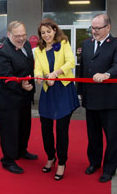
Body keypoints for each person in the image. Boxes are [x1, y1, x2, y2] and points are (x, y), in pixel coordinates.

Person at [78, 14, 117, 183]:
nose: (94, 31)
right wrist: (80, 92)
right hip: (91, 97)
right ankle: (94, 163)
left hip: (109, 100)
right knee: (93, 135)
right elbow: (82, 68)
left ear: (108, 28)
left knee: (112, 136)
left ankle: (109, 169)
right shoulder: (86, 44)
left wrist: (107, 74)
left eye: (98, 28)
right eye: (92, 28)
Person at [34, 18, 79, 181]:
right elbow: (37, 68)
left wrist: (55, 73)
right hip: (48, 91)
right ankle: (51, 157)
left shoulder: (64, 44)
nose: (46, 35)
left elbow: (71, 62)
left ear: (55, 30)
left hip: (63, 90)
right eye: (43, 33)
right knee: (45, 128)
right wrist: (40, 78)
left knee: (61, 129)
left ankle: (62, 162)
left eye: (49, 31)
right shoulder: (38, 50)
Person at [0, 21, 37, 174]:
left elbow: (29, 66)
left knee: (25, 127)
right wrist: (21, 85)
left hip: (25, 96)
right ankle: (8, 160)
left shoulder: (27, 46)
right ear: (9, 34)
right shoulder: (1, 51)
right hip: (8, 98)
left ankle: (21, 151)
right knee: (10, 131)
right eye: (18, 36)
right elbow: (6, 76)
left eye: (24, 35)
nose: (21, 38)